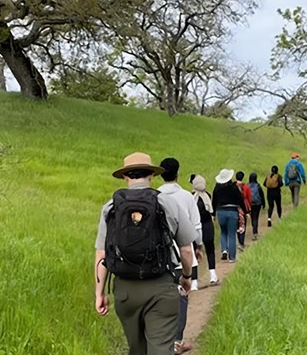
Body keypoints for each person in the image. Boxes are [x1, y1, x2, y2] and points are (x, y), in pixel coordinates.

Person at [94, 152, 196, 355]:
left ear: (125, 177)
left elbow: (102, 253)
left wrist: (99, 293)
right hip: (161, 288)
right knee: (160, 349)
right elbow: (186, 248)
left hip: (125, 291)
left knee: (137, 349)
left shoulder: (111, 206)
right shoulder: (167, 203)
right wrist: (186, 276)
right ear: (151, 175)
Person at [158, 158, 203, 354]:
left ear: (160, 173)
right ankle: (177, 340)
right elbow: (196, 225)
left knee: (161, 297)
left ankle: (160, 341)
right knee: (182, 297)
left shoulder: (155, 195)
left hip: (161, 256)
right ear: (177, 173)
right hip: (185, 253)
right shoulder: (186, 196)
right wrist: (198, 246)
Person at [212, 169, 246, 263]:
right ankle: (232, 257)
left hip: (220, 211)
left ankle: (224, 250)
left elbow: (214, 201)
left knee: (223, 232)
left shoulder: (217, 188)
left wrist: (213, 213)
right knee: (232, 234)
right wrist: (245, 211)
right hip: (232, 211)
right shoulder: (234, 187)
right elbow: (240, 199)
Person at [191, 175, 219, 284]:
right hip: (207, 225)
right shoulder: (207, 195)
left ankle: (194, 281)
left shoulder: (191, 197)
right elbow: (211, 211)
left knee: (194, 253)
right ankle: (213, 274)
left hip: (194, 227)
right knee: (210, 250)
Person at [234, 171, 252, 251]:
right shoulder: (246, 187)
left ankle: (239, 241)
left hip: (234, 208)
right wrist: (248, 210)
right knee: (243, 225)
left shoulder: (233, 186)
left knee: (237, 225)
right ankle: (241, 242)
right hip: (243, 208)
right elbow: (248, 198)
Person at [247, 172, 265, 240]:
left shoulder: (247, 186)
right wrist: (263, 203)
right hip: (257, 204)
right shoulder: (258, 186)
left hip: (250, 204)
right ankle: (255, 232)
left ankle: (254, 228)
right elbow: (261, 195)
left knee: (252, 217)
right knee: (256, 218)